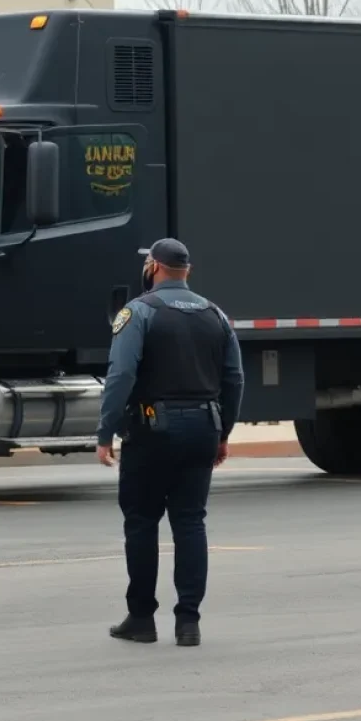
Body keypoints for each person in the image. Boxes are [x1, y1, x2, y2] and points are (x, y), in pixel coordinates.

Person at [96, 238, 244, 647]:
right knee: (190, 522)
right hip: (203, 429)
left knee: (142, 522)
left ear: (153, 268)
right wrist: (224, 433)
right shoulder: (215, 314)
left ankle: (142, 618)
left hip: (151, 431)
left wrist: (105, 432)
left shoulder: (138, 311)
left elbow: (121, 375)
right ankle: (188, 622)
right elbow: (234, 379)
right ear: (187, 271)